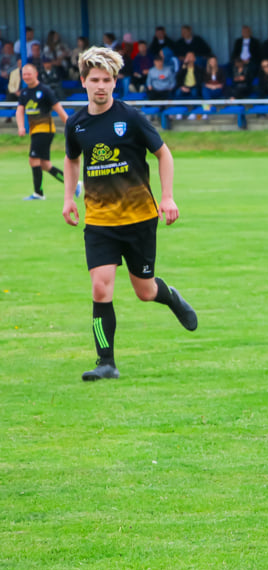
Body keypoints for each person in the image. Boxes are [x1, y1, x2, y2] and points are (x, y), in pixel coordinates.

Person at [62, 46, 197, 381]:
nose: (101, 86)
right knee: (100, 289)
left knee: (144, 291)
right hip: (99, 222)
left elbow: (164, 155)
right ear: (83, 82)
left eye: (107, 79)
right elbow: (71, 159)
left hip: (139, 218)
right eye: (94, 79)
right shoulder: (76, 124)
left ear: (115, 82)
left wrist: (167, 198)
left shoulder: (131, 118)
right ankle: (105, 362)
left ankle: (170, 297)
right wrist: (68, 198)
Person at [16, 63, 81, 201]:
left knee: (33, 159)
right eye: (24, 75)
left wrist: (70, 125)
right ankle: (75, 185)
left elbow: (58, 108)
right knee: (45, 165)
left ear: (36, 74)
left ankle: (38, 193)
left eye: (29, 74)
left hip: (45, 129)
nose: (26, 77)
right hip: (35, 130)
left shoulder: (45, 90)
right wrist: (21, 126)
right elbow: (20, 111)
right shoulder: (25, 92)